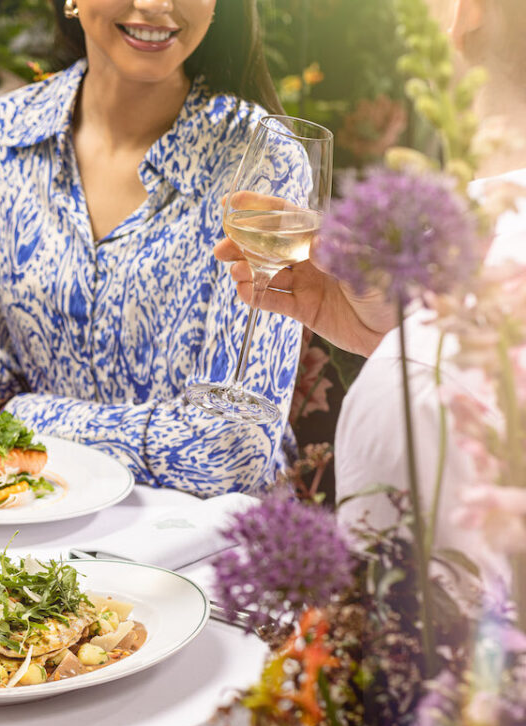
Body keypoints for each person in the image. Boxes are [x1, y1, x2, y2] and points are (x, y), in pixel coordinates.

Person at [0, 0, 305, 497]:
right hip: (27, 526)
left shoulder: (265, 161)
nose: (156, 5)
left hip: (204, 546)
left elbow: (233, 448)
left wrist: (24, 414)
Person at [217, 0, 526, 578]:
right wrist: (392, 334)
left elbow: (418, 646)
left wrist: (408, 352)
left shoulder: (416, 388)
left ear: (465, 14)